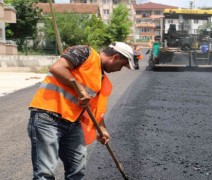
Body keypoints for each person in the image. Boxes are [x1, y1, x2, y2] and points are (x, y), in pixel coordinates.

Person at [27, 42, 134, 179]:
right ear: (115, 57)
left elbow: (95, 109)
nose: (119, 69)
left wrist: (102, 129)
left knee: (77, 170)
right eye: (121, 65)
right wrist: (79, 88)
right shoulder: (84, 52)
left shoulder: (101, 78)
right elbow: (57, 68)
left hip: (72, 124)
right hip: (48, 117)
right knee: (45, 173)